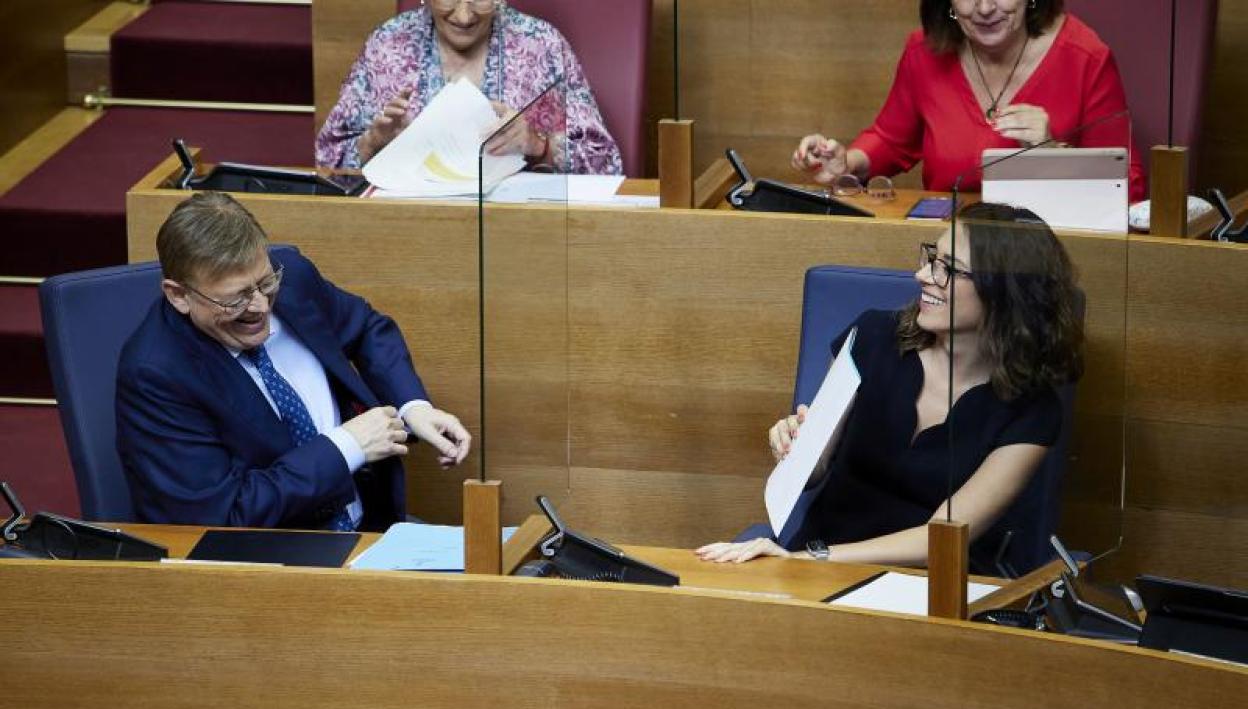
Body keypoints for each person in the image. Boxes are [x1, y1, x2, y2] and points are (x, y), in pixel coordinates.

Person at [697, 202, 1083, 566]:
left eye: (948, 269)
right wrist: (794, 446)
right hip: (816, 556)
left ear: (1003, 293)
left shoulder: (1033, 409)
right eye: (931, 257)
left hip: (928, 585)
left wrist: (812, 559)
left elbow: (943, 539)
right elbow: (813, 472)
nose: (923, 276)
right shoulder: (872, 336)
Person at [116, 191, 471, 530]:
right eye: (235, 299)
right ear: (179, 296)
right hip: (271, 563)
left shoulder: (293, 278)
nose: (259, 307)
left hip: (373, 528)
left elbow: (365, 328)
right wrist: (345, 447)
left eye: (264, 283)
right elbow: (222, 516)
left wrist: (413, 406)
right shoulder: (155, 374)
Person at [791, 0, 1146, 200]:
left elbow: (1129, 187)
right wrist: (846, 163)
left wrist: (1054, 152)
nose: (985, 7)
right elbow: (891, 140)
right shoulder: (924, 50)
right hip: (950, 251)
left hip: (1050, 254)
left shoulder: (1086, 57)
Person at [316, 0, 623, 175]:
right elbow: (325, 162)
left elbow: (606, 162)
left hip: (520, 234)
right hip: (408, 230)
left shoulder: (541, 45)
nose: (463, 16)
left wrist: (539, 146)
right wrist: (373, 143)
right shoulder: (388, 44)